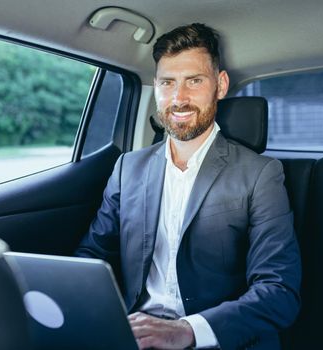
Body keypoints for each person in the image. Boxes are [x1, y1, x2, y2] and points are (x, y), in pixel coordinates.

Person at [76, 23, 301, 350]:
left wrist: (187, 330)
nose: (179, 98)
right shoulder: (128, 168)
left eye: (194, 81)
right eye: (168, 83)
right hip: (134, 334)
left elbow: (279, 291)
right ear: (156, 87)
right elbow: (92, 256)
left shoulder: (260, 174)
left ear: (220, 85)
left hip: (217, 340)